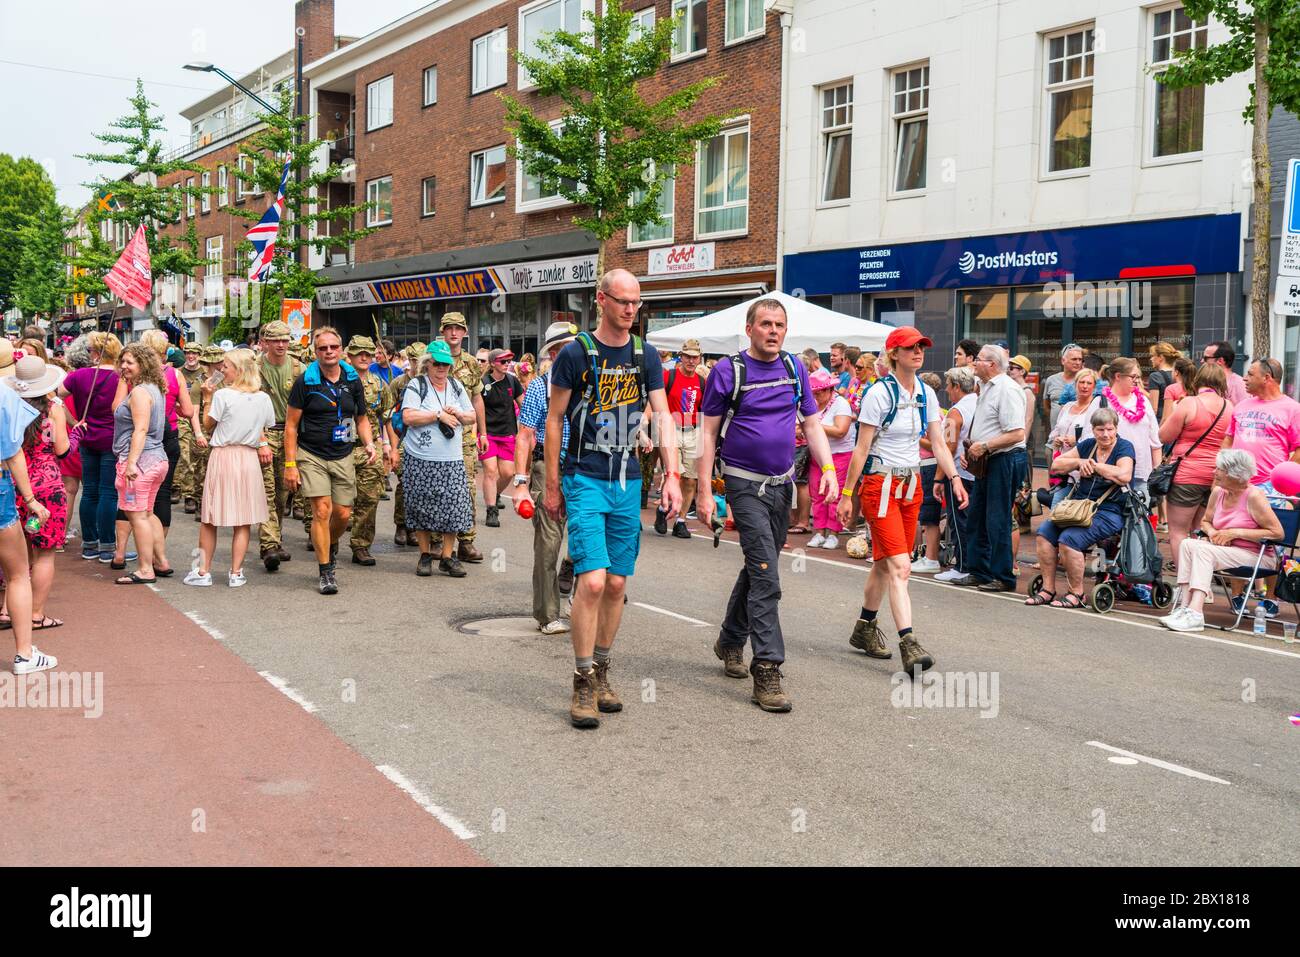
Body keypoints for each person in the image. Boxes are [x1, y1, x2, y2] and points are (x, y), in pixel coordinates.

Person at [545, 269, 680, 729]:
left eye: (636, 303)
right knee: (595, 581)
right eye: (622, 301)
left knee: (619, 585)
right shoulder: (575, 353)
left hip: (627, 484)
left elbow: (662, 414)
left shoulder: (647, 355)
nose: (630, 310)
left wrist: (673, 476)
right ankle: (582, 678)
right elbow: (554, 418)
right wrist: (549, 482)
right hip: (585, 478)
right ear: (600, 300)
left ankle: (602, 669)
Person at [693, 300, 831, 711]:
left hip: (782, 486)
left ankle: (730, 640)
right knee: (767, 576)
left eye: (780, 325)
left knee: (760, 565)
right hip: (743, 484)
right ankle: (767, 668)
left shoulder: (794, 369)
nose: (773, 331)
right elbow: (708, 432)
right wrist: (703, 489)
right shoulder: (727, 371)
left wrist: (828, 469)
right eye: (766, 324)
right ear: (750, 328)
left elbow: (810, 423)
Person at [836, 326, 968, 673]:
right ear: (893, 353)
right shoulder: (878, 394)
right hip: (881, 485)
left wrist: (954, 478)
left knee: (884, 563)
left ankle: (864, 627)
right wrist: (848, 494)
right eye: (910, 347)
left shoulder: (926, 393)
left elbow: (938, 443)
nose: (918, 352)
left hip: (912, 486)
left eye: (921, 346)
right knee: (901, 566)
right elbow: (861, 448)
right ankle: (909, 643)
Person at [284, 326, 379, 595]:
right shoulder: (306, 381)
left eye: (333, 347)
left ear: (341, 350)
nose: (328, 352)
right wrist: (290, 465)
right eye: (322, 348)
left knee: (342, 513)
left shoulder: (352, 380)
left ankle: (329, 542)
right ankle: (326, 571)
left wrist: (370, 443)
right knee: (322, 511)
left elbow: (361, 418)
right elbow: (291, 426)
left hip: (343, 454)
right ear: (316, 352)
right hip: (312, 454)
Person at [1161, 449, 1284, 632]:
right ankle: (1184, 608)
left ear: (1235, 474)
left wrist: (1234, 533)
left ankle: (1195, 614)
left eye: (1219, 469)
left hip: (1256, 555)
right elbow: (1206, 521)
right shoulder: (1218, 492)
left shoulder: (1254, 496)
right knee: (1187, 544)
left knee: (1203, 550)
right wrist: (1213, 533)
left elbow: (1277, 533)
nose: (1214, 472)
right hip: (1225, 550)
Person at [1025, 408, 1133, 608]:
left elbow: (1124, 474)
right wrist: (1079, 462)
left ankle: (1077, 593)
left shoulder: (1124, 447)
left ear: (1116, 428)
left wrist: (1095, 467)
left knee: (1069, 539)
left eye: (1110, 429)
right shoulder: (1088, 445)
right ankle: (1048, 589)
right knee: (1044, 533)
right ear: (1093, 430)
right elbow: (1056, 465)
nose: (1106, 434)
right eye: (1100, 430)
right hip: (1078, 508)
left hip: (1109, 512)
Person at [186, 348, 275, 588]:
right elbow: (264, 429)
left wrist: (206, 398)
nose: (221, 370)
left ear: (239, 370)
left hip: (223, 455)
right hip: (248, 457)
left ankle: (203, 571)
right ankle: (236, 573)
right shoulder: (263, 398)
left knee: (210, 517)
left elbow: (207, 424)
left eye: (226, 366)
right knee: (243, 520)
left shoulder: (223, 395)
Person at [513, 321, 579, 635]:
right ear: (553, 353)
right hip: (545, 467)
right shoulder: (540, 387)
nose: (574, 352)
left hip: (582, 467)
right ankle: (548, 613)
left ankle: (582, 596)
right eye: (567, 347)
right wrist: (521, 482)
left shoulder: (585, 384)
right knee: (549, 541)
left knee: (585, 535)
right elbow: (524, 436)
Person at [1221, 357, 1300, 618]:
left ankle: (1270, 598)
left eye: (1251, 374)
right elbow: (1229, 439)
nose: (1245, 378)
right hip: (1238, 483)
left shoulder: (1291, 409)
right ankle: (1236, 594)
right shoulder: (1241, 406)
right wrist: (1222, 471)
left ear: (1267, 378)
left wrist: (1285, 482)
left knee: (1274, 541)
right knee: (1236, 536)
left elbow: (1298, 449)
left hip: (1271, 486)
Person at [949, 345, 1027, 592]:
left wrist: (983, 446)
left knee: (997, 519)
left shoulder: (1007, 389)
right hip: (988, 459)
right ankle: (979, 571)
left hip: (1004, 458)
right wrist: (973, 450)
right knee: (977, 516)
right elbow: (988, 425)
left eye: (979, 360)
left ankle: (1003, 576)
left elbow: (1016, 433)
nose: (974, 364)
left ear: (992, 365)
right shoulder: (984, 387)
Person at [399, 341, 477, 577]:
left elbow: (471, 415)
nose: (441, 368)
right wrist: (438, 415)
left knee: (453, 508)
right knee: (421, 506)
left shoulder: (456, 386)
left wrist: (460, 414)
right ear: (427, 364)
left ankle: (447, 556)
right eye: (437, 363)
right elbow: (408, 416)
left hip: (451, 458)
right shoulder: (417, 385)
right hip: (420, 457)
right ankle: (424, 555)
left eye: (446, 364)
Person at [4, 357, 69, 631]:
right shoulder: (53, 409)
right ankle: (35, 614)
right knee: (45, 553)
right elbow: (62, 449)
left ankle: (8, 610)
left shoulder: (9, 406)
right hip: (47, 486)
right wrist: (77, 435)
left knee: (17, 555)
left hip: (15, 484)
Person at [0, 372, 53, 673]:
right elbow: (13, 452)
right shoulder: (4, 394)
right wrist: (31, 500)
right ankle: (24, 654)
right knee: (18, 573)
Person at [1159, 362, 1231, 570]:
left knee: (1178, 531)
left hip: (1187, 475)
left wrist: (1173, 411)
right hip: (1216, 477)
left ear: (1199, 380)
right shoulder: (1230, 407)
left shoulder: (1189, 403)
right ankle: (1203, 585)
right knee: (1200, 530)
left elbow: (1163, 436)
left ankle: (1185, 585)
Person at [111, 343, 171, 585]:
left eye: (130, 362)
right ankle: (161, 561)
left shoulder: (139, 393)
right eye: (122, 361)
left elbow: (141, 429)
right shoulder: (155, 388)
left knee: (137, 517)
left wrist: (131, 464)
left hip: (141, 462)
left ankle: (146, 569)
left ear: (143, 365)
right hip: (157, 459)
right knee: (146, 513)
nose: (124, 366)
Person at [58, 332, 121, 563]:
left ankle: (89, 545)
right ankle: (107, 546)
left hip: (87, 437)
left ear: (95, 353)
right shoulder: (120, 377)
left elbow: (55, 398)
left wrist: (74, 423)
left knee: (90, 492)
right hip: (111, 438)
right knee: (107, 492)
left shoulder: (79, 376)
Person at [134, 329, 201, 537]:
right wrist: (174, 407)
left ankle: (131, 550)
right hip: (168, 435)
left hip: (141, 439)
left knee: (138, 495)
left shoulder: (134, 375)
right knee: (162, 494)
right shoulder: (175, 374)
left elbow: (117, 407)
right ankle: (159, 548)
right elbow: (189, 411)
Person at [256, 320, 305, 572]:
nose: (281, 345)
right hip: (262, 434)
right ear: (265, 342)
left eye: (285, 340)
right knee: (266, 491)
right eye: (276, 340)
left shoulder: (299, 369)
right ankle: (269, 545)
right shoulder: (254, 368)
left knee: (282, 492)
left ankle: (275, 537)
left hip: (290, 434)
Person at [343, 336, 395, 566]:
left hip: (369, 448)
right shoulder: (337, 380)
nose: (364, 357)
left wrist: (391, 447)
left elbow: (387, 418)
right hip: (340, 447)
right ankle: (330, 540)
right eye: (358, 353)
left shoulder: (378, 384)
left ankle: (361, 545)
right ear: (350, 356)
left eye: (368, 353)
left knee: (369, 499)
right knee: (339, 502)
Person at [441, 314, 487, 564]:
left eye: (458, 329)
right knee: (438, 488)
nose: (454, 333)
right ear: (443, 332)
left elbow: (478, 398)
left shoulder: (471, 364)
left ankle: (466, 541)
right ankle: (437, 540)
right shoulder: (433, 357)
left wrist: (482, 432)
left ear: (465, 332)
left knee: (466, 489)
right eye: (449, 329)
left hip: (464, 439)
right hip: (437, 437)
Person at [655, 338, 705, 539]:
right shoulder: (669, 376)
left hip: (693, 430)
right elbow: (656, 400)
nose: (691, 361)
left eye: (695, 357)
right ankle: (663, 508)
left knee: (691, 480)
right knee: (673, 474)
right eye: (687, 356)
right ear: (681, 356)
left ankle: (681, 521)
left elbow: (706, 410)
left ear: (699, 358)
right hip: (672, 429)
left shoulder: (702, 382)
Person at [934, 365, 979, 582]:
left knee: (959, 520)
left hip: (959, 473)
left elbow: (948, 447)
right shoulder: (979, 402)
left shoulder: (955, 412)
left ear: (957, 386)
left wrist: (939, 477)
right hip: (976, 472)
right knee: (972, 520)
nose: (947, 391)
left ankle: (963, 566)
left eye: (949, 387)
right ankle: (972, 564)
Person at [807, 369, 854, 550]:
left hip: (840, 454)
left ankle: (834, 533)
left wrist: (814, 426)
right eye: (814, 393)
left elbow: (840, 431)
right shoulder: (812, 403)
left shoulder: (840, 403)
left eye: (819, 392)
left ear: (828, 390)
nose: (816, 396)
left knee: (835, 495)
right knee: (817, 494)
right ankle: (819, 532)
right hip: (818, 455)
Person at [1100, 357, 1162, 493]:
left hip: (1141, 474)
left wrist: (1156, 472)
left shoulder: (1144, 401)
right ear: (1118, 376)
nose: (1137, 381)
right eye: (1133, 376)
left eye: (1138, 377)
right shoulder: (1101, 402)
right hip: (1110, 474)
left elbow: (1155, 441)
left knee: (1140, 514)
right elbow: (1089, 438)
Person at [387, 341, 427, 548]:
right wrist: (393, 448)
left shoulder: (431, 383)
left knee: (422, 486)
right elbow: (389, 417)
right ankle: (401, 524)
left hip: (425, 440)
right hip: (403, 438)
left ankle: (416, 527)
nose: (417, 365)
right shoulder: (399, 383)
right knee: (405, 483)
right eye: (413, 360)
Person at [1046, 368, 1103, 505]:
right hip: (1064, 467)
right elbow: (1056, 429)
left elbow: (1098, 435)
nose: (1084, 386)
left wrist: (1077, 441)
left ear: (1094, 386)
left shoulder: (1096, 408)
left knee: (1075, 509)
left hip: (1082, 467)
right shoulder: (1067, 406)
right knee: (1057, 508)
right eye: (1081, 382)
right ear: (1075, 384)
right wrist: (1057, 438)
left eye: (1089, 383)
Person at [479, 347, 522, 528]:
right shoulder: (483, 383)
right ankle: (491, 511)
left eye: (508, 361)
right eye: (502, 362)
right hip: (488, 434)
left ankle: (495, 493)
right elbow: (477, 409)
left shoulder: (513, 381)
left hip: (508, 433)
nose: (507, 365)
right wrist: (481, 434)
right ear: (492, 364)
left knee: (508, 473)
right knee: (490, 471)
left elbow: (524, 405)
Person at [186, 346, 224, 523]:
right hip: (203, 428)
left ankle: (214, 504)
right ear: (209, 363)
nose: (221, 364)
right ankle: (200, 504)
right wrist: (199, 433)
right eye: (217, 361)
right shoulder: (199, 382)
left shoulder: (224, 380)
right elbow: (193, 411)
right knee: (201, 471)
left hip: (221, 430)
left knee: (217, 471)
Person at [175, 343, 204, 511]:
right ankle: (189, 494)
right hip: (183, 417)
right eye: (188, 353)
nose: (191, 356)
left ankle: (198, 491)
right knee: (185, 455)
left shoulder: (205, 374)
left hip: (202, 418)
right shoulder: (178, 373)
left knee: (199, 458)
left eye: (194, 353)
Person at [1042, 343, 1084, 432]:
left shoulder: (1085, 382)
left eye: (1080, 359)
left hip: (1076, 439)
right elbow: (1046, 406)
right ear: (1063, 361)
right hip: (1054, 439)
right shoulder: (1051, 380)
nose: (1078, 362)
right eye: (1074, 359)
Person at [1202, 340, 1248, 405]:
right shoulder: (1204, 382)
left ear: (1220, 360)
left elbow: (1244, 411)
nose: (1202, 361)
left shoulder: (1240, 384)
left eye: (1206, 358)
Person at [1147, 341, 1181, 422]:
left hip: (1161, 420)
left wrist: (1140, 390)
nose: (1151, 359)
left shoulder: (1155, 376)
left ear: (1161, 357)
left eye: (1153, 356)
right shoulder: (1179, 374)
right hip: (1177, 418)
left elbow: (1154, 408)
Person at [1161, 356, 1199, 424]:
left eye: (1172, 370)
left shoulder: (1170, 389)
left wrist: (1158, 431)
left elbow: (1166, 418)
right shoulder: (1198, 388)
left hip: (1177, 429)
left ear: (1176, 372)